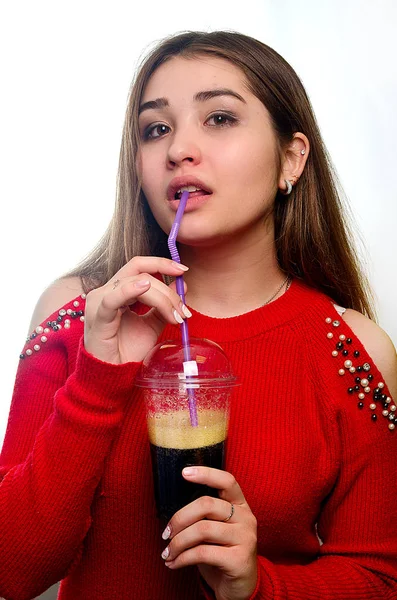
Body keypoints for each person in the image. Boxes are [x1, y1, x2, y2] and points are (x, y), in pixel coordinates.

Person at [1, 29, 396, 600]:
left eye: (219, 118)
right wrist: (99, 375)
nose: (178, 149)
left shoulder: (353, 352)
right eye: (156, 128)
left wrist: (259, 586)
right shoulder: (76, 316)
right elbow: (14, 571)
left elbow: (381, 580)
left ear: (292, 157)